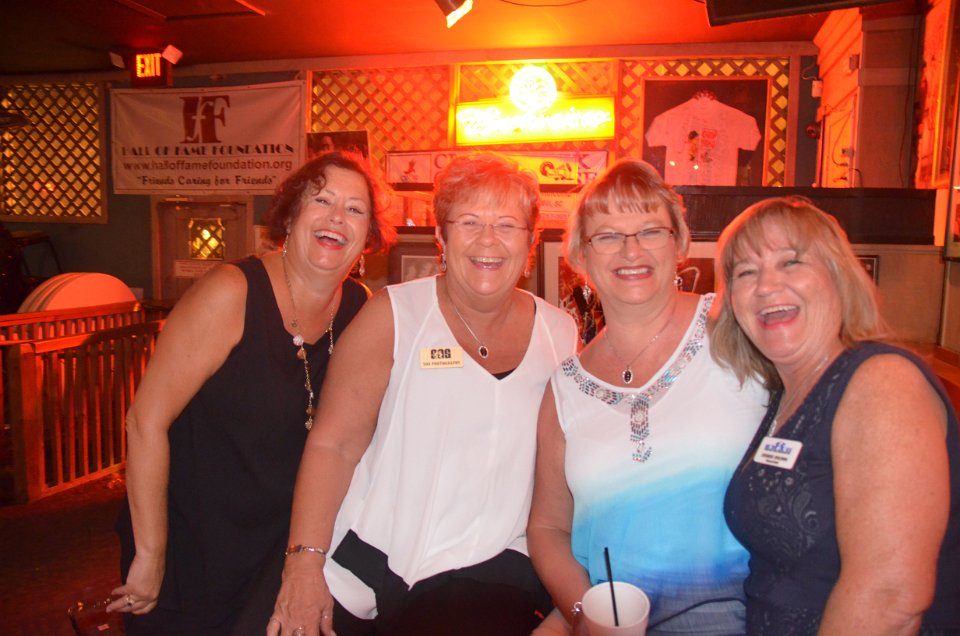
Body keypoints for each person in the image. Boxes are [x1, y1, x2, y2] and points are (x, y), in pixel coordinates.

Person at [267, 152, 578, 636]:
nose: (488, 239)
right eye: (469, 222)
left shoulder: (560, 335)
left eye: (506, 225)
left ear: (531, 241)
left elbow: (567, 469)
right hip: (367, 566)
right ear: (441, 237)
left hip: (491, 570)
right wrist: (303, 564)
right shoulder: (394, 315)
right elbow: (334, 445)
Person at [108, 151, 395, 635]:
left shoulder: (358, 307)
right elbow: (144, 420)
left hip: (281, 542)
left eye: (354, 209)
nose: (336, 218)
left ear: (368, 237)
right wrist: (150, 552)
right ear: (291, 215)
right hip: (192, 538)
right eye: (322, 200)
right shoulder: (231, 292)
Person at [527, 158, 767, 635]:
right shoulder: (566, 387)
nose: (631, 250)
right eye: (608, 236)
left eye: (650, 231)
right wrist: (581, 614)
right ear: (580, 256)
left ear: (679, 243)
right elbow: (548, 528)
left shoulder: (737, 327)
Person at [712, 196, 960, 634]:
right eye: (746, 272)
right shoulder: (783, 397)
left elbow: (890, 600)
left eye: (791, 262)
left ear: (839, 277)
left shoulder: (882, 382)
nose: (766, 286)